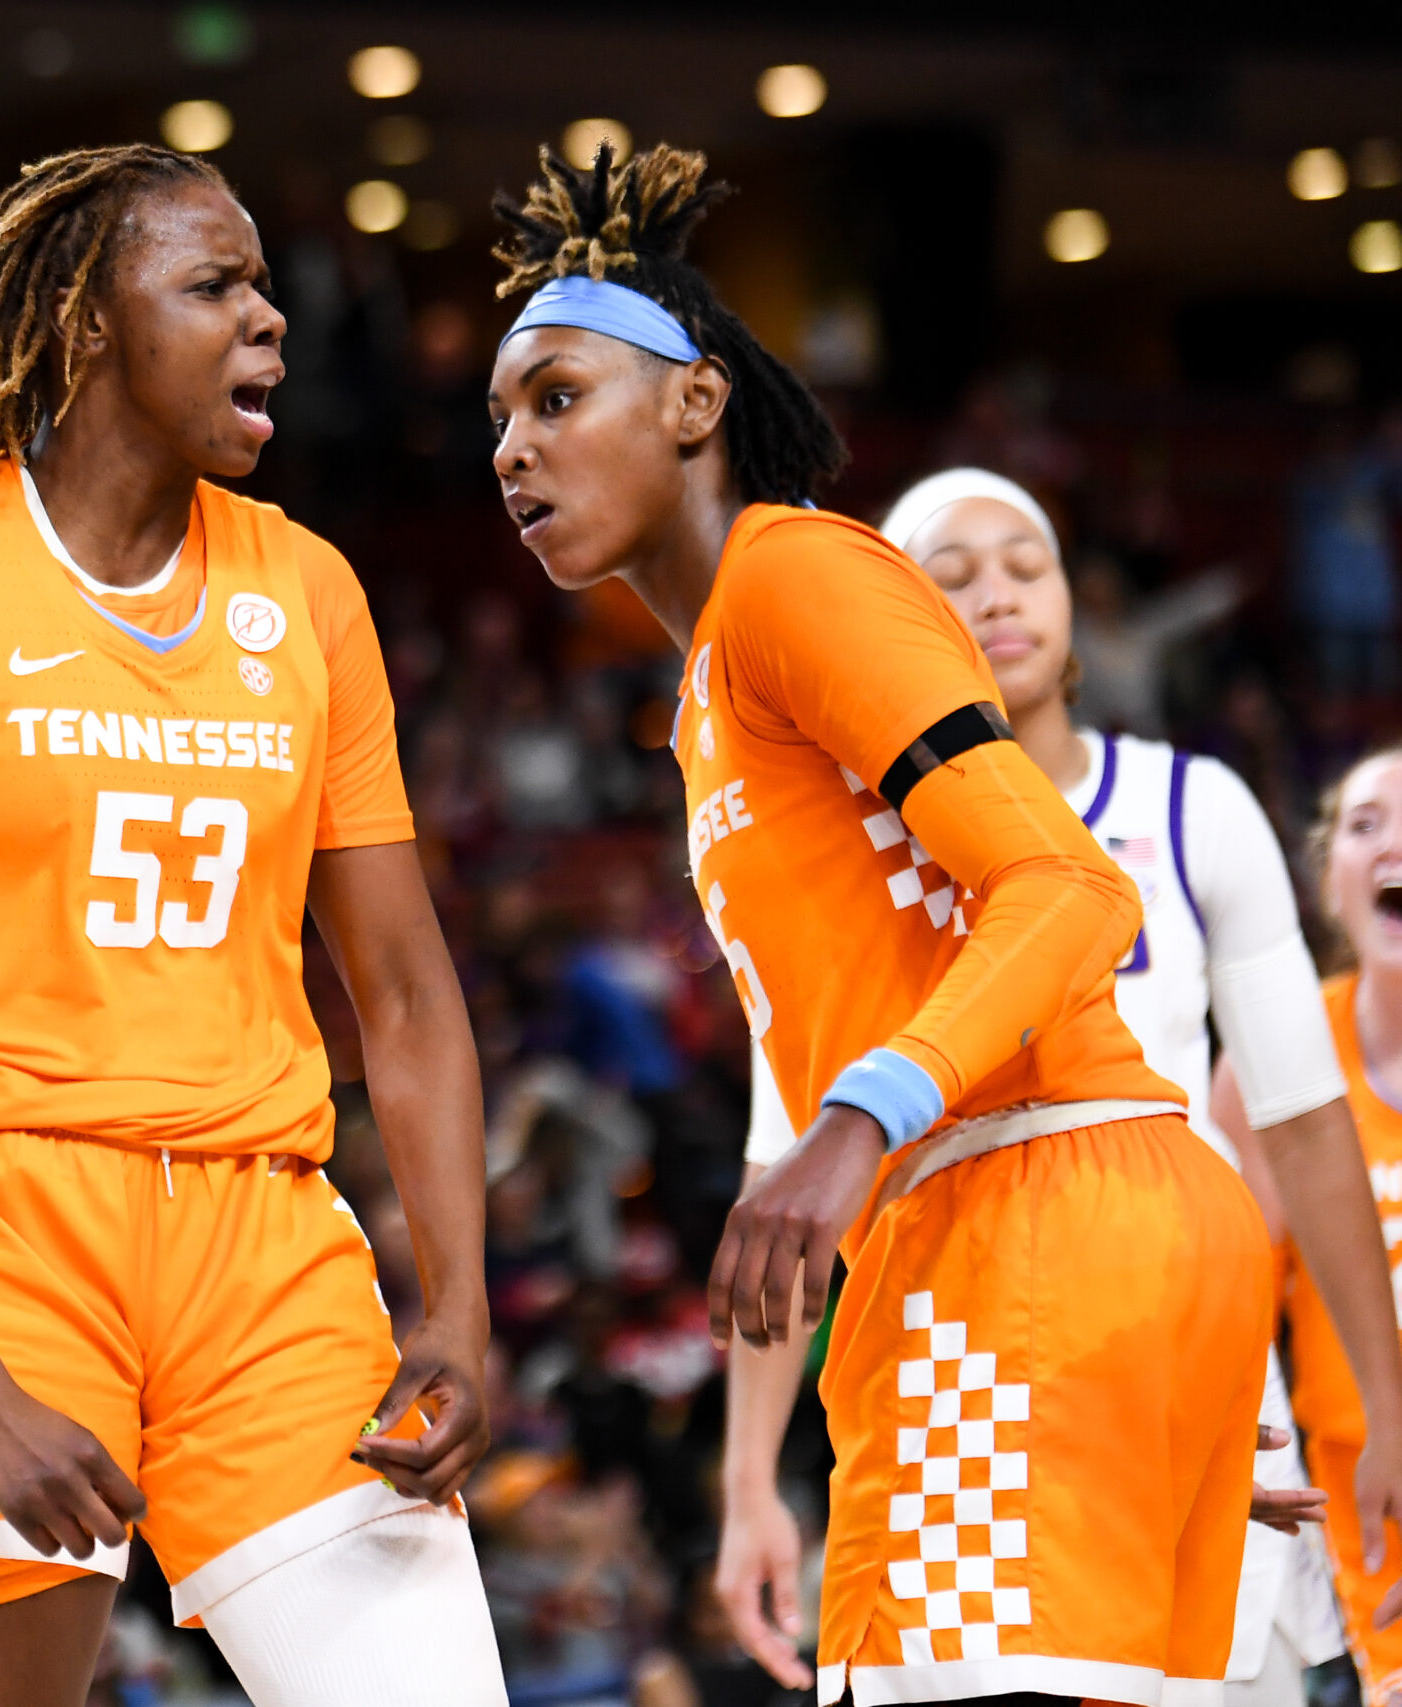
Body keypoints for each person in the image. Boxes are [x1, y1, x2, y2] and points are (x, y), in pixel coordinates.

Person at [484, 141, 1337, 1700]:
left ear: (696, 402)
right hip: (1033, 1243)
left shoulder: (795, 573)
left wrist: (860, 1119)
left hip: (1025, 1209)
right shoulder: (708, 688)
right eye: (499, 420)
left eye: (557, 396)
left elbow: (1073, 883)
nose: (514, 449)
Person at [0, 143, 503, 1707]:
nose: (269, 319)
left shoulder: (309, 590)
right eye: (214, 285)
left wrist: (461, 1303)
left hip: (262, 1238)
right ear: (89, 321)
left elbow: (405, 991)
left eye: (265, 288)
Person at [719, 469, 1402, 1700]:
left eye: (1025, 566)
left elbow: (1305, 1126)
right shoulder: (839, 847)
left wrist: (1387, 1403)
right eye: (951, 574)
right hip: (968, 1376)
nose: (996, 596)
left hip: (1176, 1350)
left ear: (1074, 604)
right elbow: (787, 1180)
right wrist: (745, 1484)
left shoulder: (1191, 806)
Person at [1248, 749, 1402, 1696]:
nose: (1394, 845)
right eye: (1365, 823)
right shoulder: (1273, 1057)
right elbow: (1236, 1313)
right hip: (1346, 1528)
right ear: (1328, 880)